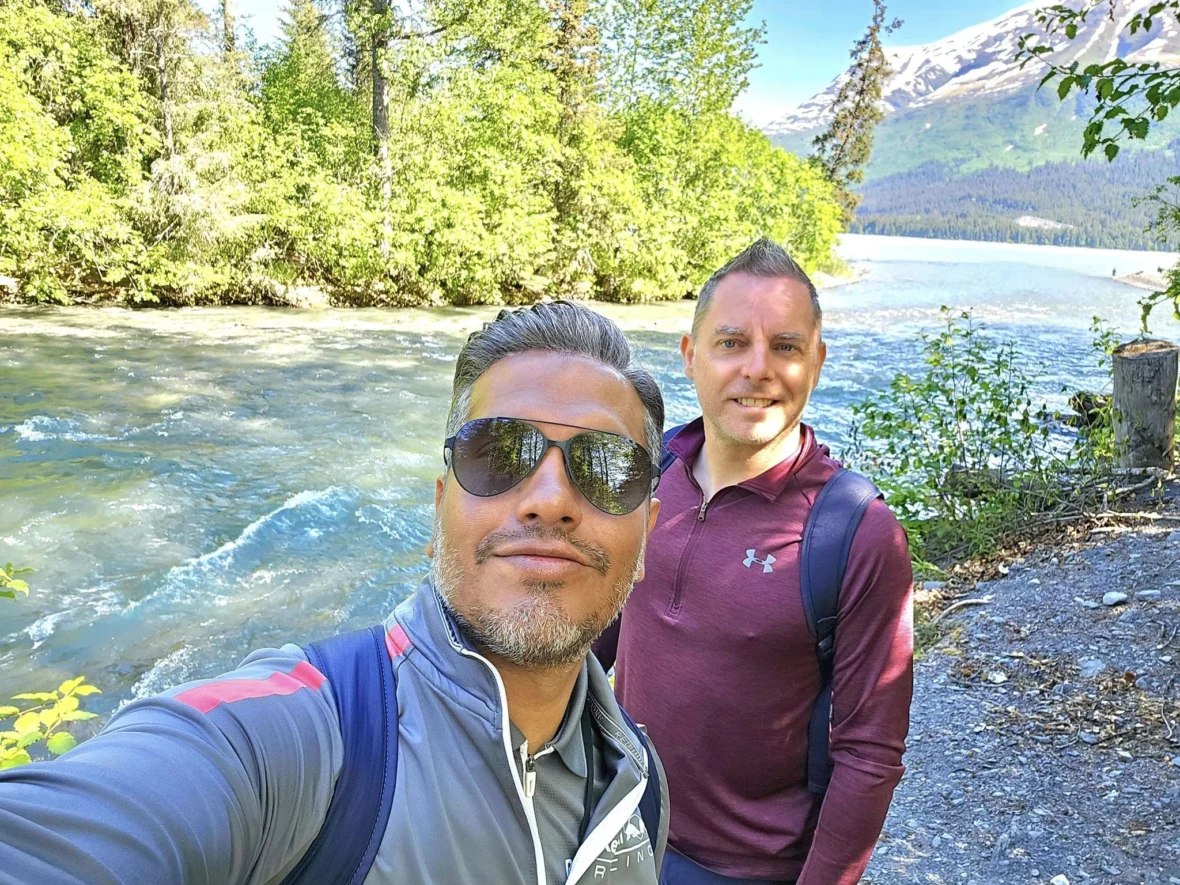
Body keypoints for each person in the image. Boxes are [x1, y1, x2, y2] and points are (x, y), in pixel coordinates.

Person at [0, 301, 670, 885]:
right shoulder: (300, 744)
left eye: (606, 468)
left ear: (648, 535)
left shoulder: (637, 782)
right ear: (439, 515)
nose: (550, 501)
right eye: (498, 453)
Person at [596, 239, 913, 885]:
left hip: (746, 869)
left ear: (817, 362)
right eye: (732, 342)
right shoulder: (648, 476)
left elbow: (869, 753)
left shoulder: (856, 532)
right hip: (614, 824)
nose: (758, 369)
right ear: (691, 356)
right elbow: (593, 634)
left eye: (787, 347)